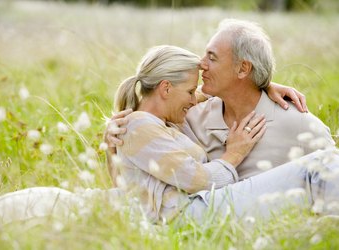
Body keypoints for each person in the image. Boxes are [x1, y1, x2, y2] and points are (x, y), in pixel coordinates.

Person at [106, 45, 339, 224]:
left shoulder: (157, 121)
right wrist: (234, 154)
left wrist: (262, 84)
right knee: (321, 165)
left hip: (197, 210)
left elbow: (208, 93)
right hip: (192, 213)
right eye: (189, 91)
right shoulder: (138, 125)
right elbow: (199, 181)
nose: (192, 99)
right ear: (166, 88)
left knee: (310, 189)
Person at [105, 19, 335, 182]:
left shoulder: (300, 125)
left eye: (212, 57)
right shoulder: (189, 115)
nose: (201, 63)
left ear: (243, 69)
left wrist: (264, 84)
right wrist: (115, 142)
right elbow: (138, 172)